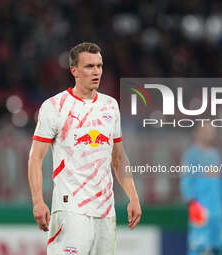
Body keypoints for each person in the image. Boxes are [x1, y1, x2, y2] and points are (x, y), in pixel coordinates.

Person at [28, 42, 141, 255]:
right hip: (71, 207)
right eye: (89, 66)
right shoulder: (55, 106)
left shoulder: (110, 106)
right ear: (74, 71)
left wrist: (133, 197)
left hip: (105, 211)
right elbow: (35, 157)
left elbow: (118, 158)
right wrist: (37, 201)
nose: (96, 71)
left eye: (99, 65)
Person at [180, 123, 222, 255]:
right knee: (199, 248)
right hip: (202, 212)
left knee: (219, 248)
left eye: (212, 130)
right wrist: (192, 203)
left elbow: (220, 182)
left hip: (218, 213)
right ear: (197, 133)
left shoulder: (215, 155)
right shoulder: (191, 156)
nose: (211, 133)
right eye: (207, 130)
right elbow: (186, 182)